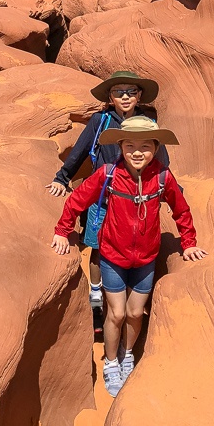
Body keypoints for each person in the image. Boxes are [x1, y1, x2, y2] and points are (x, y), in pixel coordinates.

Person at [51, 116, 207, 397]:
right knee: (117, 313)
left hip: (146, 259)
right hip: (112, 255)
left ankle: (127, 354)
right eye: (130, 145)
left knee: (136, 314)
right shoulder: (109, 173)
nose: (137, 152)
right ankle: (111, 362)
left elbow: (181, 210)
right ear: (120, 146)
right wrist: (63, 231)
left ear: (156, 147)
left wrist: (189, 243)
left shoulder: (162, 177)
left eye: (145, 146)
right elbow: (77, 200)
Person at [45, 71, 167, 309]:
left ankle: (124, 298)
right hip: (102, 196)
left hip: (134, 200)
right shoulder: (100, 121)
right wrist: (62, 177)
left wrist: (171, 191)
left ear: (139, 96)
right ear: (110, 97)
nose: (125, 97)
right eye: (118, 92)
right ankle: (95, 291)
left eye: (131, 92)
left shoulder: (148, 124)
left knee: (131, 248)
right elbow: (80, 150)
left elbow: (161, 160)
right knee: (98, 246)